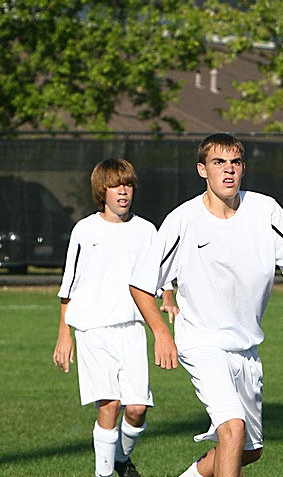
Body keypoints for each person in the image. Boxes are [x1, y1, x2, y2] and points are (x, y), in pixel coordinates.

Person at [129, 133, 283, 477]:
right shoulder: (183, 219)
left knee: (248, 451)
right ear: (202, 170)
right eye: (219, 163)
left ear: (243, 168)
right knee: (232, 428)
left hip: (247, 349)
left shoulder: (264, 210)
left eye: (235, 162)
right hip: (202, 343)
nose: (228, 170)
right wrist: (161, 334)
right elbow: (141, 284)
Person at [52, 158, 177, 477]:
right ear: (101, 191)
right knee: (108, 405)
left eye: (128, 185)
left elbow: (160, 274)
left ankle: (121, 459)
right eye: (115, 185)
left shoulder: (147, 230)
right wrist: (64, 334)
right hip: (94, 331)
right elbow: (70, 284)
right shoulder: (85, 230)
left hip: (132, 330)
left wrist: (168, 298)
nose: (123, 191)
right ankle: (104, 473)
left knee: (136, 410)